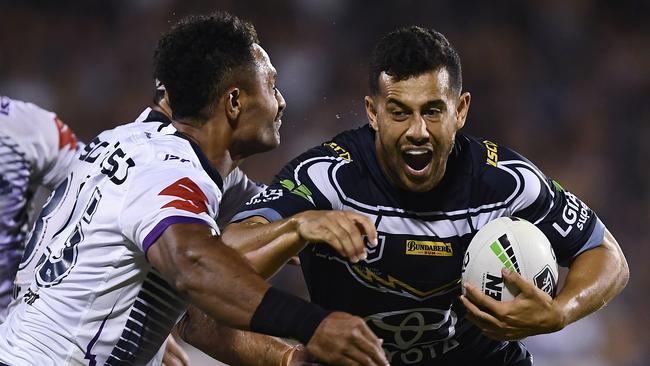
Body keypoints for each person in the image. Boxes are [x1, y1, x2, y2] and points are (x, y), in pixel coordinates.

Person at [223, 26, 629, 365]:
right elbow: (224, 258)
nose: (417, 131)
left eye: (433, 111)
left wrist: (560, 312)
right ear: (372, 112)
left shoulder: (506, 181)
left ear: (461, 110)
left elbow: (608, 256)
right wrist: (297, 226)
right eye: (399, 112)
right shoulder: (327, 178)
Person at [0, 13, 388, 366]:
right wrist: (313, 324)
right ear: (234, 101)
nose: (282, 102)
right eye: (272, 85)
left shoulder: (140, 146)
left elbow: (196, 317)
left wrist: (288, 359)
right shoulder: (169, 171)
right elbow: (196, 267)